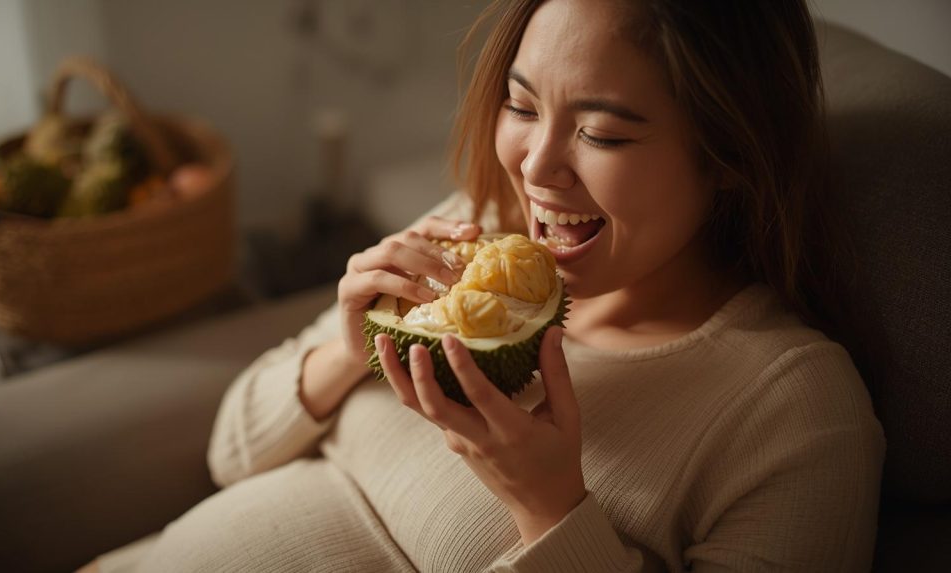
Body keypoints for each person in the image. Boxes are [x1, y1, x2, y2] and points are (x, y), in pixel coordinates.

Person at [87, 0, 884, 571]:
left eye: (602, 132)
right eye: (521, 105)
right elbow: (231, 454)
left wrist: (550, 508)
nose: (535, 168)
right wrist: (347, 347)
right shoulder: (475, 229)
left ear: (729, 161)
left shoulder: (795, 411)